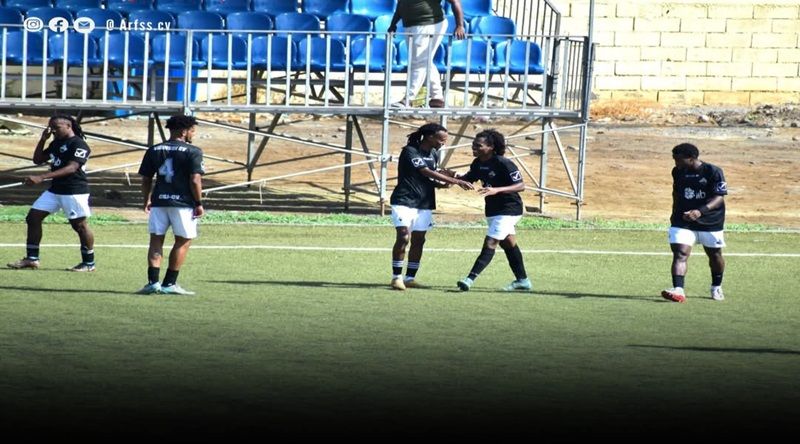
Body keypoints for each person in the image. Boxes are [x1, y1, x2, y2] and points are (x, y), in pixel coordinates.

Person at [390, 122, 473, 290]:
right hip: (404, 201)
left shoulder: (434, 154)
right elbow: (425, 172)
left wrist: (443, 183)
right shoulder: (410, 151)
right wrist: (456, 181)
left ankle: (409, 278)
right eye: (441, 140)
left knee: (419, 240)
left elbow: (430, 177)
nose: (443, 143)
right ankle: (396, 277)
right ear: (429, 136)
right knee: (404, 236)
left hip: (425, 203)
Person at [7, 115, 96, 272]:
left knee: (80, 226)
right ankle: (32, 258)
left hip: (73, 190)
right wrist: (43, 139)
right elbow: (38, 159)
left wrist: (41, 177)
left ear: (69, 126)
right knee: (33, 217)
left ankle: (89, 263)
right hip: (56, 190)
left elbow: (72, 167)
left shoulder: (79, 144)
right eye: (50, 127)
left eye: (56, 127)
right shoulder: (56, 143)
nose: (52, 130)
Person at [136, 115, 205, 295]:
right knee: (183, 241)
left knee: (156, 239)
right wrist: (198, 202)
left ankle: (152, 283)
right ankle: (169, 284)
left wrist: (146, 200)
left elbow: (146, 178)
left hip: (159, 201)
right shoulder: (193, 151)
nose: (193, 134)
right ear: (184, 131)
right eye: (192, 131)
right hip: (182, 203)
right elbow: (195, 179)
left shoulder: (154, 149)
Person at [456, 129, 531, 292]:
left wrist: (497, 190)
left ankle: (469, 279)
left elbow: (521, 185)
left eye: (478, 145)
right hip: (493, 209)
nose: (474, 147)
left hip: (510, 209)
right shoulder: (478, 163)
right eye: (473, 144)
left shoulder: (503, 163)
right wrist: (451, 177)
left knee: (491, 242)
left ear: (491, 147)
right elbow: (469, 179)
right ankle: (523, 281)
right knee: (509, 244)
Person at [661, 143, 728, 303]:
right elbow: (676, 193)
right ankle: (678, 289)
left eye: (678, 159)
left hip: (710, 221)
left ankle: (716, 286)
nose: (676, 163)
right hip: (683, 221)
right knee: (680, 254)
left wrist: (699, 211)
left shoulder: (713, 172)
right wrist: (676, 215)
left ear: (691, 158)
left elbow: (719, 197)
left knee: (714, 255)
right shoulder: (678, 172)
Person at [388, 0, 466, 108]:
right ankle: (437, 97)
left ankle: (408, 99)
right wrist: (393, 24)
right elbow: (401, 4)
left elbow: (455, 2)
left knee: (418, 62)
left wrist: (460, 25)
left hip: (429, 24)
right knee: (424, 61)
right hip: (410, 25)